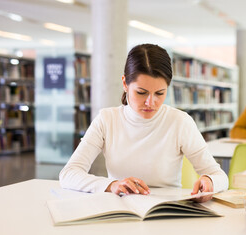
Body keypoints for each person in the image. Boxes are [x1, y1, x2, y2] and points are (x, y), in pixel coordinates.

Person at [59, 44, 228, 203]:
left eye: (160, 93)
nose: (150, 102)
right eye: (141, 92)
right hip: (118, 209)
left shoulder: (180, 122)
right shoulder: (106, 120)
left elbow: (219, 176)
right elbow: (69, 174)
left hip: (166, 210)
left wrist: (210, 181)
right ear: (125, 83)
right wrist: (111, 185)